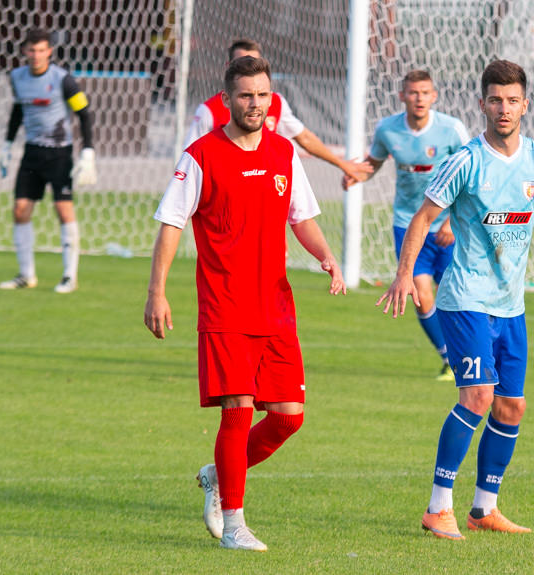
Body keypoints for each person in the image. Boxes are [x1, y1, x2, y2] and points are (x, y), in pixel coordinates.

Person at [144, 55, 346, 552]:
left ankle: (218, 473)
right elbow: (171, 223)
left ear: (271, 97)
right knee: (236, 411)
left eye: (262, 95)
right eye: (245, 96)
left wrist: (326, 256)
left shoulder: (282, 152)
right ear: (227, 99)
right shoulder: (201, 156)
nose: (255, 104)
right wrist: (157, 291)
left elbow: (301, 217)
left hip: (276, 306)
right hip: (225, 305)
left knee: (288, 417)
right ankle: (234, 524)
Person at [377, 60, 534, 540]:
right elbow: (423, 218)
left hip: (511, 304)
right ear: (481, 104)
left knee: (512, 407)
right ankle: (436, 506)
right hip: (465, 299)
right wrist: (405, 274)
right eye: (494, 100)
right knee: (478, 397)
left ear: (525, 105)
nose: (503, 109)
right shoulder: (465, 160)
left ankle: (484, 509)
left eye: (512, 100)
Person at [343, 70, 469, 381]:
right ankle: (450, 360)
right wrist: (357, 174)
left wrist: (452, 221)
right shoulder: (388, 129)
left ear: (434, 96)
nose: (419, 98)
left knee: (458, 296)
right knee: (421, 294)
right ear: (402, 96)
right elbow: (375, 161)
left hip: (448, 225)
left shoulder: (452, 130)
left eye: (425, 92)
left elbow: (470, 176)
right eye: (413, 93)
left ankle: (472, 354)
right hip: (408, 224)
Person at [185, 38, 370, 184]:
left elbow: (304, 138)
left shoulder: (276, 102)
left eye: (254, 63)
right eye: (241, 63)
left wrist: (341, 163)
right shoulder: (209, 110)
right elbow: (190, 161)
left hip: (265, 191)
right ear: (229, 67)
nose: (255, 103)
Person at [0, 28, 97, 293]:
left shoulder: (63, 79)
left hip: (59, 154)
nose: (36, 55)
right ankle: (26, 275)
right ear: (24, 51)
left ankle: (69, 276)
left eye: (42, 50)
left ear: (49, 51)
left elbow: (84, 114)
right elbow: (18, 110)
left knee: (63, 210)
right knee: (20, 209)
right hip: (32, 153)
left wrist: (88, 151)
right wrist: (7, 144)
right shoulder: (17, 77)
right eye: (32, 50)